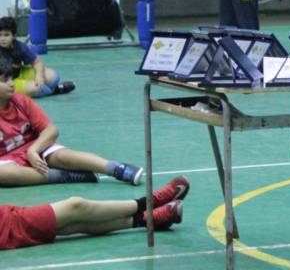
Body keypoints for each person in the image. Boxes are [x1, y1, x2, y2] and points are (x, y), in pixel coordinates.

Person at [0, 55, 143, 187]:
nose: (11, 84)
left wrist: (33, 150)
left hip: (35, 147)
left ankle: (116, 168)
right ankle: (63, 176)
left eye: (11, 78)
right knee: (3, 174)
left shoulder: (21, 100)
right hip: (5, 160)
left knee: (62, 156)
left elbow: (51, 130)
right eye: (5, 80)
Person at [0, 175, 189, 250]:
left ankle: (146, 219)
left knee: (73, 225)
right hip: (5, 225)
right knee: (75, 206)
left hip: (5, 216)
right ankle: (147, 203)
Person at [0, 17, 74, 97]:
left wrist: (39, 76)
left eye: (6, 35)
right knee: (38, 89)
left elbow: (37, 62)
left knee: (54, 77)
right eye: (0, 35)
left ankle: (47, 89)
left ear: (14, 36)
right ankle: (56, 90)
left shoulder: (20, 46)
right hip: (7, 81)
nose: (2, 39)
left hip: (19, 72)